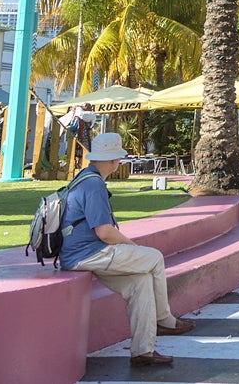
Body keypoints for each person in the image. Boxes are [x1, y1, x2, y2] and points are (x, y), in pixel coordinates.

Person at [61, 133, 194, 368]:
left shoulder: (85, 178)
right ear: (113, 161)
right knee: (154, 258)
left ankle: (143, 351)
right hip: (90, 254)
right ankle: (164, 320)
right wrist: (133, 247)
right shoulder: (94, 185)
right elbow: (104, 232)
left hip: (80, 255)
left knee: (140, 282)